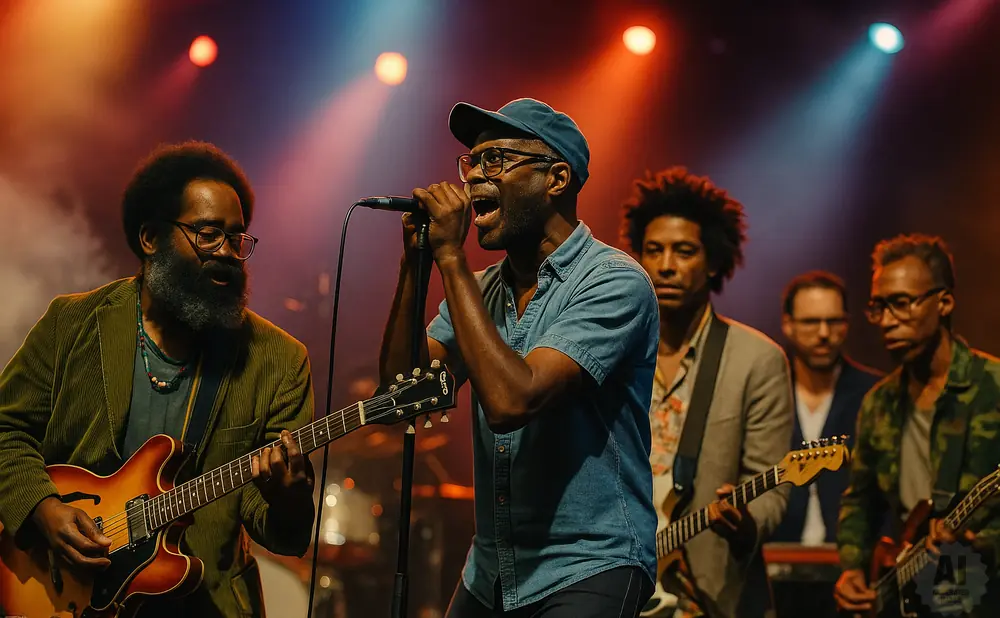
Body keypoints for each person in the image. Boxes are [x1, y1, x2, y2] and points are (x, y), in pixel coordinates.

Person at [0, 141, 316, 617]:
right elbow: (6, 431)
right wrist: (43, 509)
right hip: (61, 593)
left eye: (237, 238)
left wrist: (289, 499)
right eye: (208, 234)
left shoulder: (279, 361)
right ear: (150, 238)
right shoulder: (72, 323)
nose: (229, 253)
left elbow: (281, 533)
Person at [378, 98, 659, 617]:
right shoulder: (480, 291)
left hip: (588, 565)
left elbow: (513, 401)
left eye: (496, 160)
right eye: (471, 163)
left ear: (556, 178)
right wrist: (415, 265)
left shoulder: (614, 282)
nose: (473, 179)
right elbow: (404, 394)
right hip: (492, 571)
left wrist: (450, 258)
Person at [620, 166, 794, 617]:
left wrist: (746, 523)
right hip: (616, 583)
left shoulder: (757, 359)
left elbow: (773, 487)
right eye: (653, 251)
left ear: (713, 261)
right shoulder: (612, 350)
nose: (666, 265)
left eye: (684, 251)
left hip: (709, 595)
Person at [834, 234, 1000, 616]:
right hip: (908, 590)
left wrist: (982, 545)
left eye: (902, 304)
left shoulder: (992, 387)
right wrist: (852, 571)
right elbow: (860, 500)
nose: (888, 321)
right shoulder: (879, 402)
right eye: (879, 307)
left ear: (944, 302)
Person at [772, 271, 881, 546]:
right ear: (788, 324)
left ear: (846, 324)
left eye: (833, 321)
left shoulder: (875, 394)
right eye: (811, 322)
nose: (823, 333)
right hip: (775, 556)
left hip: (853, 561)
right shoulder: (766, 394)